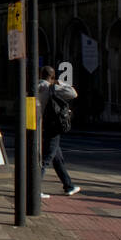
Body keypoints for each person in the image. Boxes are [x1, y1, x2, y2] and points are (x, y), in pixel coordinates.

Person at [38, 65, 81, 197]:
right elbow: (73, 93)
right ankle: (34, 189)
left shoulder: (34, 86)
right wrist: (59, 82)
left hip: (38, 125)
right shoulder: (52, 87)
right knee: (45, 159)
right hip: (52, 127)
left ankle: (68, 185)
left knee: (58, 158)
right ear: (52, 76)